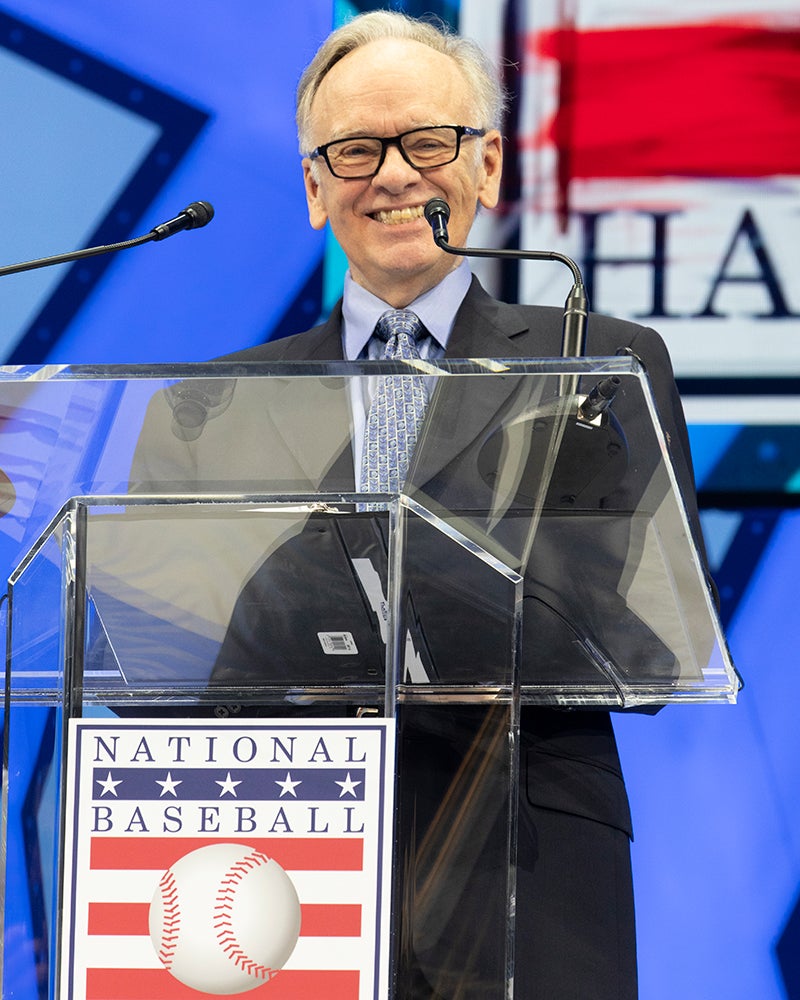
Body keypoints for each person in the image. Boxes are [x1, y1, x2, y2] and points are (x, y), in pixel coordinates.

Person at [131, 10, 713, 999]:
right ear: (315, 188)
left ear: (484, 167)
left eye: (427, 141)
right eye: (355, 149)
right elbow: (151, 664)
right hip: (272, 862)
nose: (393, 174)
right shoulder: (209, 404)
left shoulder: (597, 364)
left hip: (526, 852)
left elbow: (653, 641)